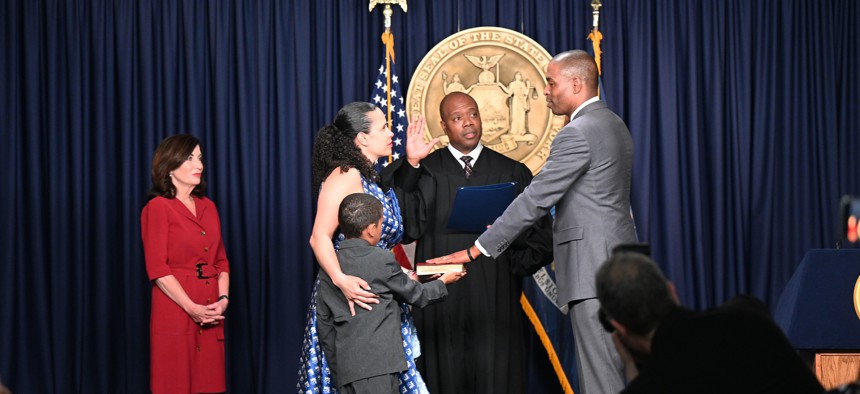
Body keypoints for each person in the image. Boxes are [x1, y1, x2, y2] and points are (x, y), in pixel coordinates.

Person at [430, 49, 637, 394]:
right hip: (617, 269)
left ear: (575, 83)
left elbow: (536, 199)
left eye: (551, 82)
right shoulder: (614, 123)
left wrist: (475, 250)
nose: (544, 90)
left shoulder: (578, 133)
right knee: (613, 374)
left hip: (592, 272)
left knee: (601, 380)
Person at [382, 91, 553, 393]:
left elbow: (540, 238)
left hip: (495, 294)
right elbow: (404, 228)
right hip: (439, 294)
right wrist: (410, 164)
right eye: (457, 118)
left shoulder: (510, 171)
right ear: (444, 126)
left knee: (495, 376)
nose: (468, 123)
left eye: (472, 114)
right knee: (443, 376)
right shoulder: (426, 169)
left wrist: (508, 260)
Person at [297, 102, 438, 394]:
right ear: (362, 138)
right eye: (383, 128)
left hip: (378, 300)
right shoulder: (344, 174)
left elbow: (383, 242)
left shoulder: (369, 175)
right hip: (352, 299)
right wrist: (341, 281)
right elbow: (318, 237)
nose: (390, 134)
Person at [595, 251, 825, 393]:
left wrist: (634, 376)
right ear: (671, 291)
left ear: (619, 328)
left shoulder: (650, 385)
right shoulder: (748, 317)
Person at [316, 193, 465, 394]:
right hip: (379, 367)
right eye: (380, 223)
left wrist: (339, 366)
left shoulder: (329, 267)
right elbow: (417, 296)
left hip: (346, 369)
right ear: (371, 230)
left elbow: (324, 323)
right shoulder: (381, 258)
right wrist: (443, 281)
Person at [140, 134, 231, 393]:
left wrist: (223, 298)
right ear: (169, 167)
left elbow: (221, 261)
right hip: (175, 309)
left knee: (209, 384)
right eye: (190, 158)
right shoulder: (157, 208)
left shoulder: (208, 207)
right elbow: (157, 269)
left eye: (200, 158)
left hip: (211, 308)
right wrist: (191, 307)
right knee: (175, 383)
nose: (199, 165)